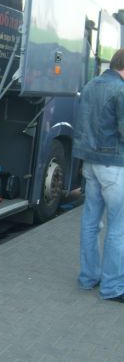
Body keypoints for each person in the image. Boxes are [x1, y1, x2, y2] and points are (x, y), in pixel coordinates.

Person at [73, 48, 124, 302]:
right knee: (118, 227)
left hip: (90, 164)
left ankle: (87, 278)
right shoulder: (121, 90)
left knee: (90, 222)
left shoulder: (90, 85)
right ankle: (112, 287)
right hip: (113, 165)